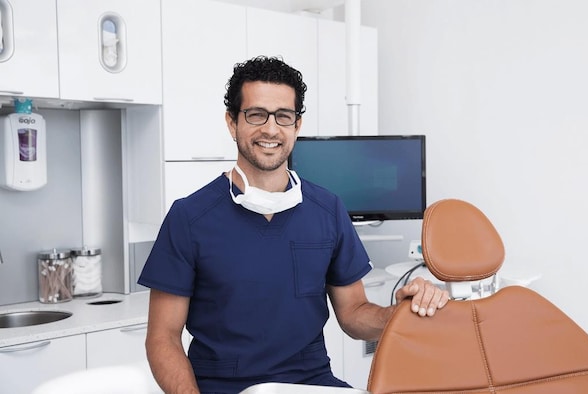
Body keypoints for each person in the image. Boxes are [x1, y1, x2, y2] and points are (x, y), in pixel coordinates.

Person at [138, 55, 450, 394]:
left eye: (283, 116)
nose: (270, 129)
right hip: (223, 387)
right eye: (256, 114)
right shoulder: (190, 217)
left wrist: (400, 313)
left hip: (310, 383)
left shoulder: (327, 209)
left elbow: (354, 314)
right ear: (232, 123)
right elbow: (162, 337)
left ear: (296, 126)